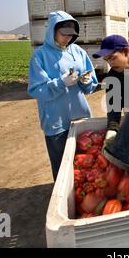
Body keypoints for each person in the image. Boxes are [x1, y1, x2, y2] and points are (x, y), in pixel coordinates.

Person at [28, 11, 98, 180]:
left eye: (71, 35)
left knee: (86, 163)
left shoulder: (78, 52)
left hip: (80, 117)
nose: (67, 38)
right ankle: (62, 201)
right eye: (63, 34)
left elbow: (91, 84)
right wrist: (61, 83)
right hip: (56, 122)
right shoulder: (40, 56)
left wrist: (87, 81)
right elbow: (37, 90)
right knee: (62, 168)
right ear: (52, 31)